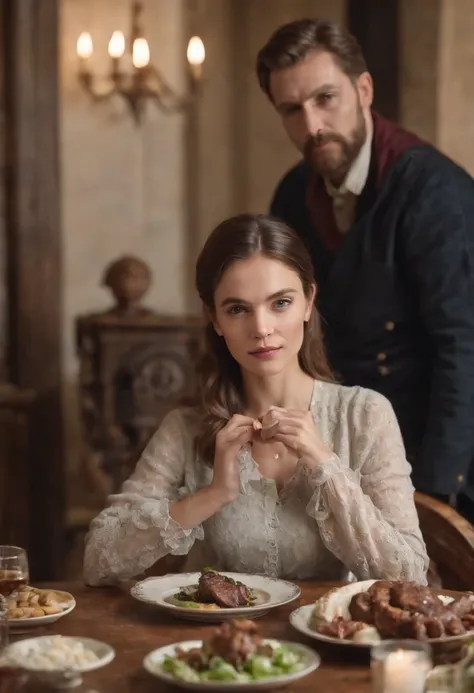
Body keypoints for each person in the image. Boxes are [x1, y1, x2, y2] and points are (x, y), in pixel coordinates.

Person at [83, 214, 428, 586]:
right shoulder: (187, 427)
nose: (262, 328)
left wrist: (324, 465)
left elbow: (409, 575)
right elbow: (98, 561)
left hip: (324, 639)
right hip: (210, 641)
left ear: (309, 302)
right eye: (237, 309)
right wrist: (213, 495)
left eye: (280, 302)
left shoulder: (364, 415)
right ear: (215, 319)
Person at [256, 18, 474, 512]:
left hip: (435, 453)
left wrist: (437, 496)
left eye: (325, 98)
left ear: (364, 89)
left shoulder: (433, 192)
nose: (312, 125)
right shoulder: (292, 194)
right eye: (292, 109)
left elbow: (463, 347)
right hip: (336, 446)